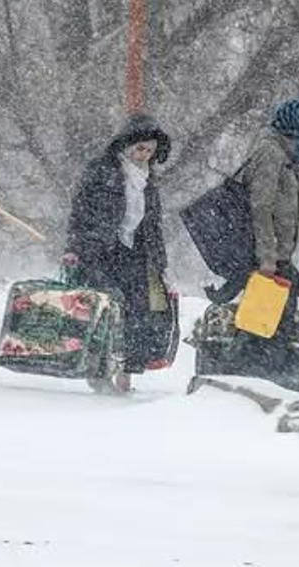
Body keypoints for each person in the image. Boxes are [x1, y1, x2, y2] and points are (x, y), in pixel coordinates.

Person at [65, 114, 174, 394]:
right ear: (127, 146)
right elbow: (80, 211)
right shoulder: (102, 171)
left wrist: (160, 263)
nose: (144, 155)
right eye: (140, 148)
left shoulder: (149, 180)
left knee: (139, 311)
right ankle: (100, 371)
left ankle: (127, 374)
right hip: (101, 249)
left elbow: (153, 224)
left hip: (136, 251)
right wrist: (74, 248)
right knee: (107, 309)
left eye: (150, 150)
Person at [235, 97, 299, 389]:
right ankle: (262, 384)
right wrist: (267, 257)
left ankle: (269, 382)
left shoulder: (285, 153)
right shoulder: (271, 153)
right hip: (267, 260)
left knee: (273, 324)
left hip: (277, 257)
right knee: (265, 327)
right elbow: (261, 206)